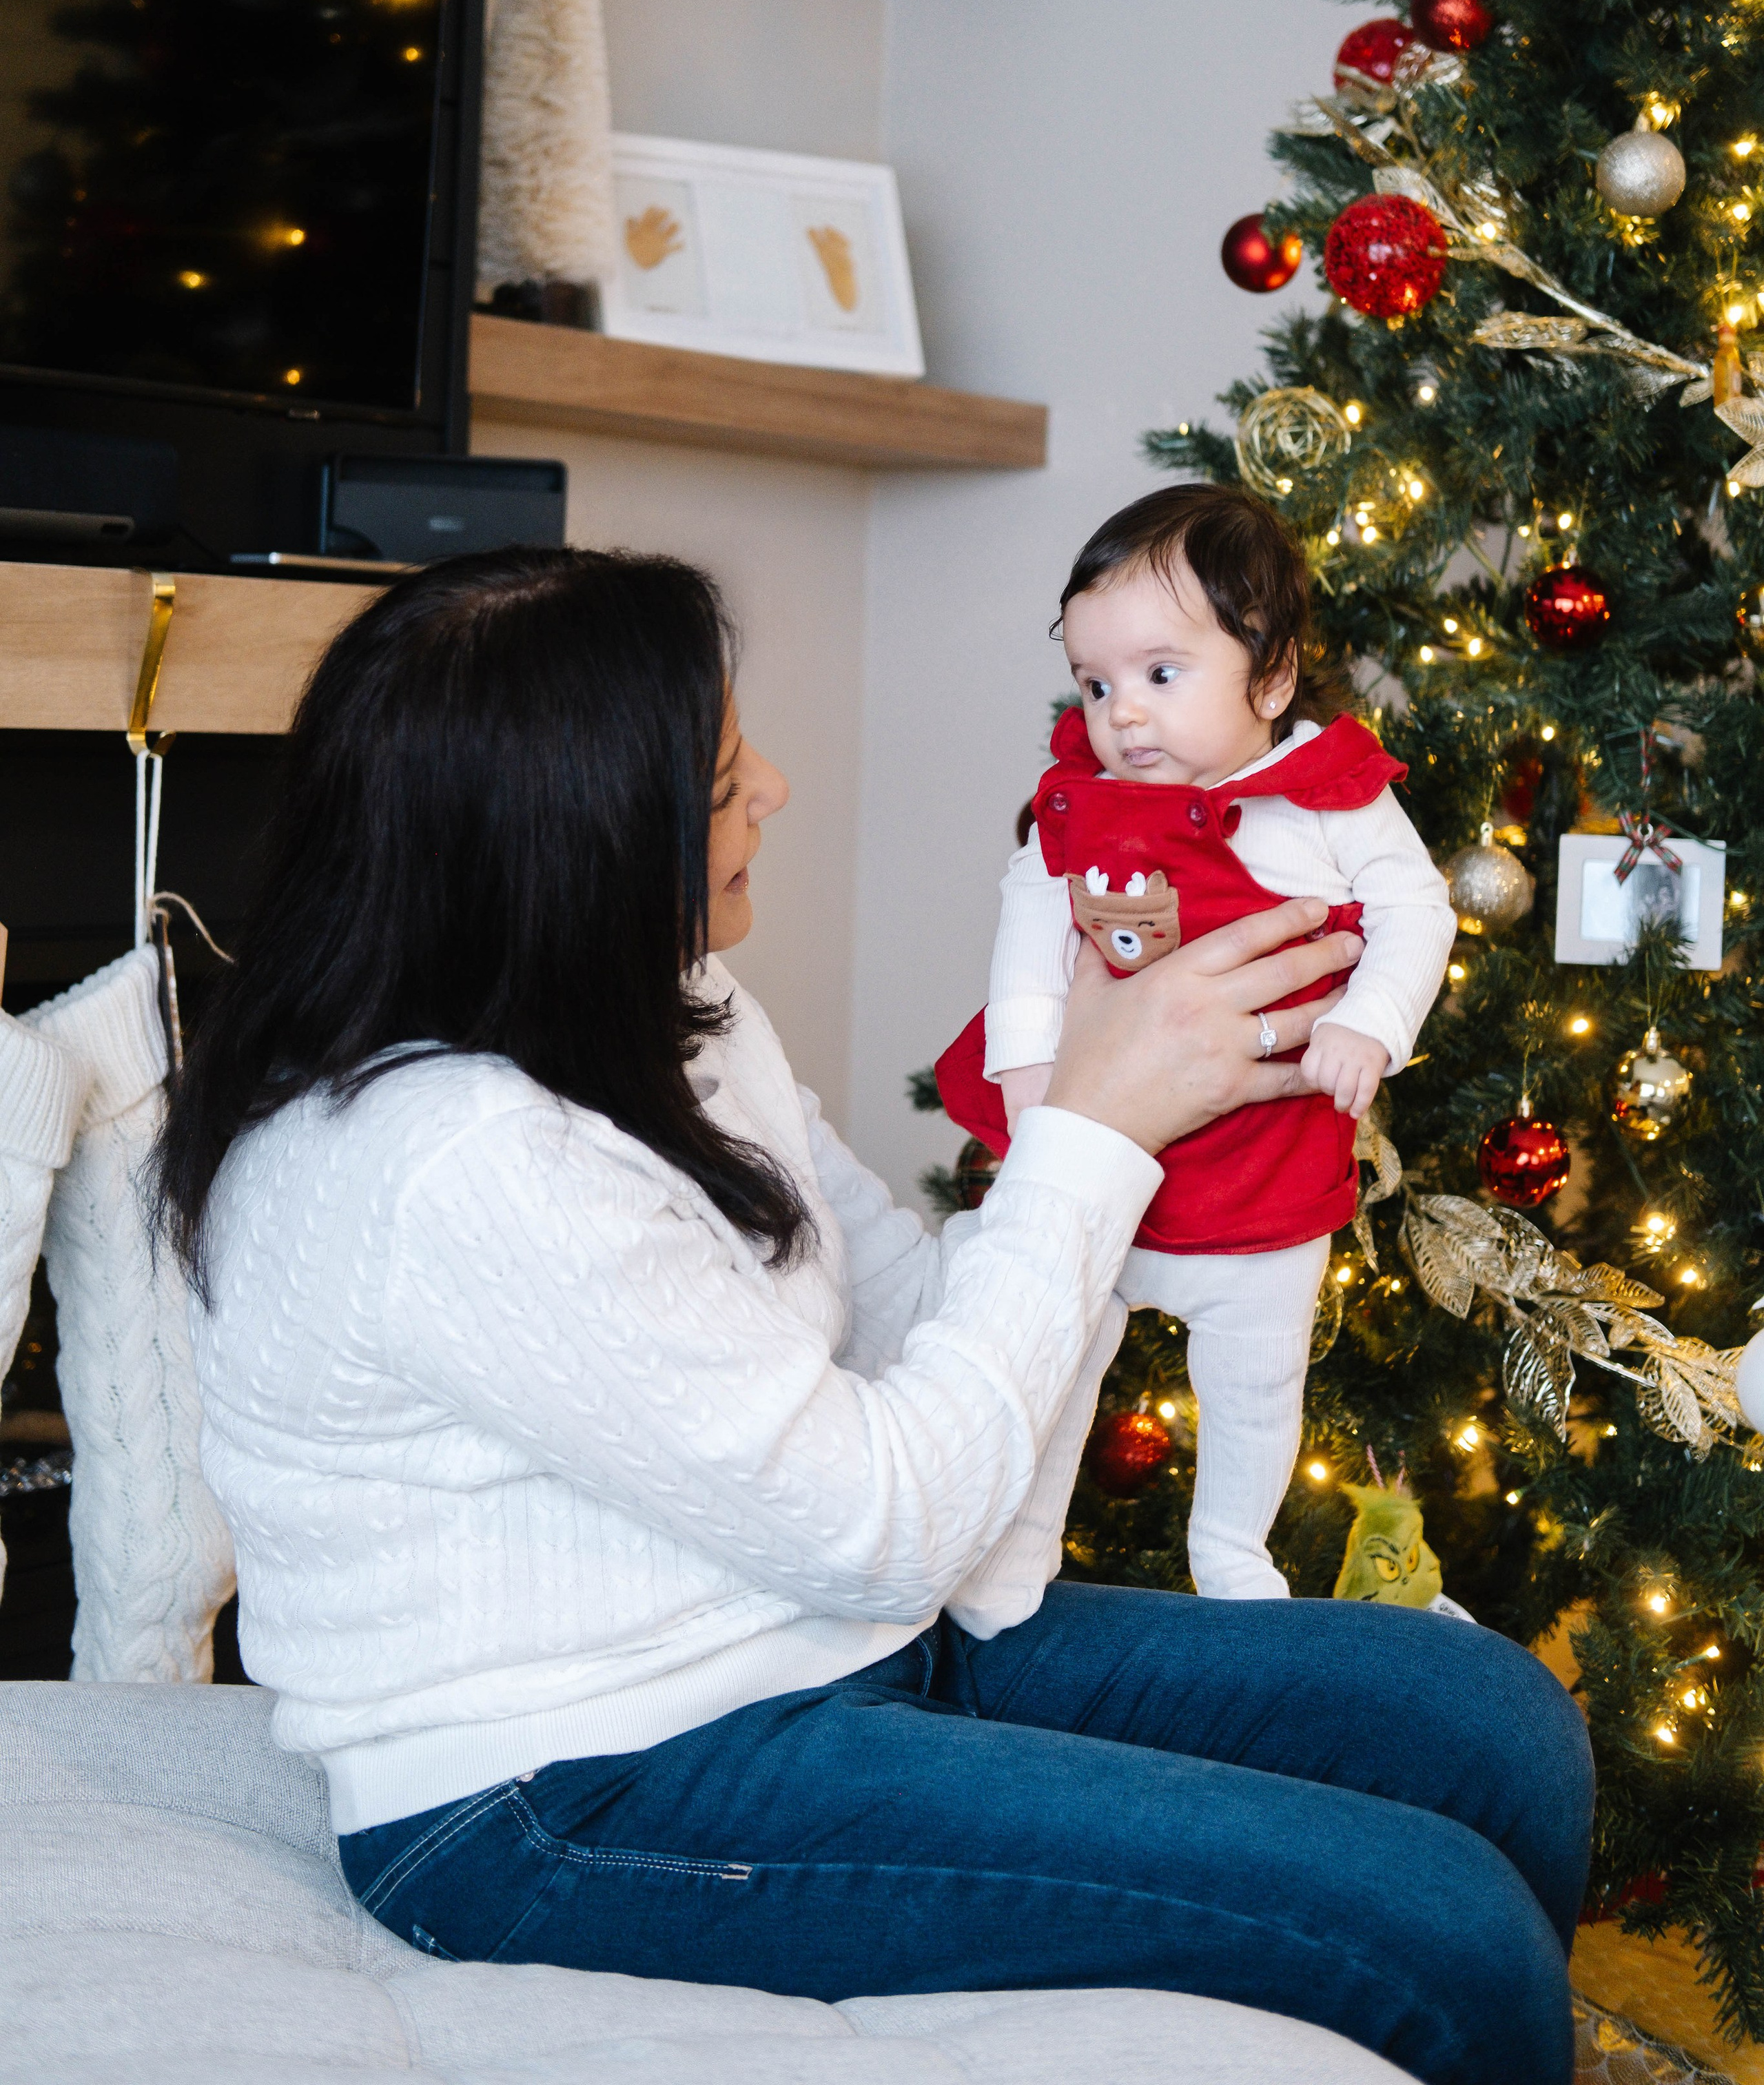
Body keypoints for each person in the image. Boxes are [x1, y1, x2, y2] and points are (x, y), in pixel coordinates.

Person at [156, 546, 1589, 2085]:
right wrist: (1092, 1131)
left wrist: (1175, 1154)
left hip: (825, 1631)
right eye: (716, 779)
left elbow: (909, 1304)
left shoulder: (673, 1019)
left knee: (1487, 1721)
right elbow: (884, 1523)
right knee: (1439, 1934)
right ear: (574, 847)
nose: (769, 787)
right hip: (574, 1783)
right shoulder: (451, 1164)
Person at [936, 486, 1455, 1599]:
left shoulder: (1326, 795)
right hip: (1112, 1159)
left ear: (1270, 676)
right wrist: (1029, 1064)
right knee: (1058, 1358)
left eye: (1160, 675)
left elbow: (1419, 910)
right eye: (1096, 683)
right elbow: (1031, 910)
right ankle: (1014, 1548)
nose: (1124, 714)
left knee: (1258, 1379)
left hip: (1262, 1168)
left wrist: (1371, 1021)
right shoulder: (1084, 797)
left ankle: (1232, 1550)